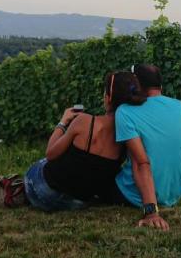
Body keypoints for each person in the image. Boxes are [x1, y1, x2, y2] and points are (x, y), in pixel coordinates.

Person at [23, 71, 145, 212]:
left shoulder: (85, 121)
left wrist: (63, 122)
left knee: (41, 163)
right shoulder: (129, 137)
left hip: (45, 194)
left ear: (108, 98)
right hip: (76, 204)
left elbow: (51, 153)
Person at [106, 64, 181, 231]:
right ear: (160, 85)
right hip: (173, 194)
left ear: (136, 85)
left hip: (134, 196)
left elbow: (140, 162)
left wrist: (151, 212)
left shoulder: (125, 111)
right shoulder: (179, 106)